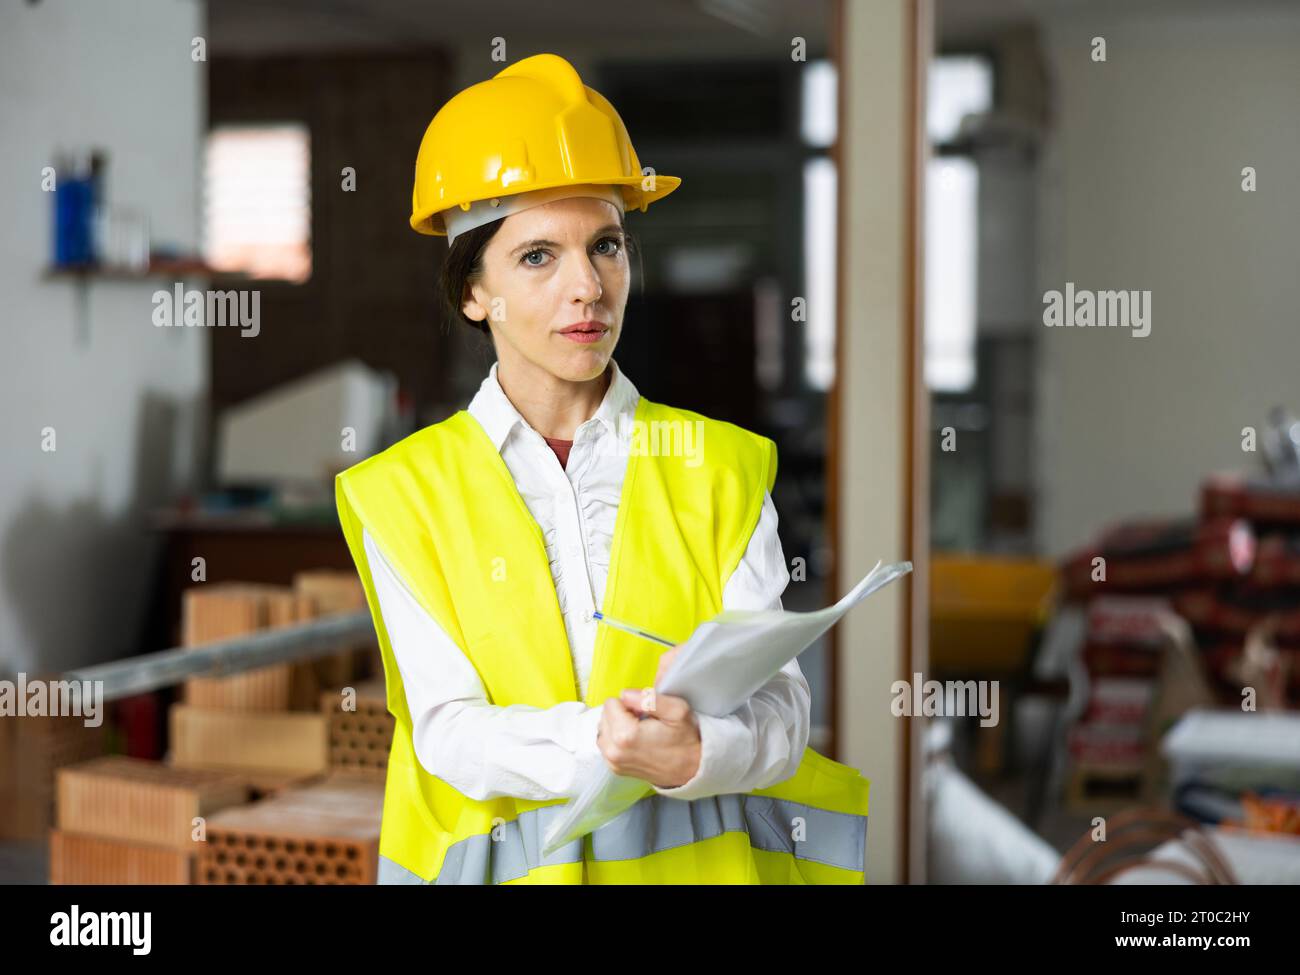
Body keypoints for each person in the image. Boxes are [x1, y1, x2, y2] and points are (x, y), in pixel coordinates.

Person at [335, 53, 870, 884]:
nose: (589, 287)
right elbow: (448, 730)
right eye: (539, 256)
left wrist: (703, 750)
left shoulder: (718, 465)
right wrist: (602, 741)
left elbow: (782, 709)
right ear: (473, 290)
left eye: (607, 245)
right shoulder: (404, 496)